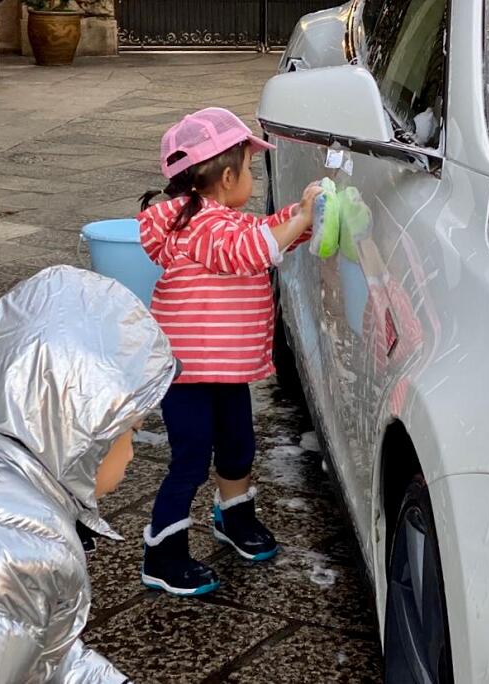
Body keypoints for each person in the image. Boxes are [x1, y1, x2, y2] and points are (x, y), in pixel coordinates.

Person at [137, 107, 321, 596]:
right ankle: (163, 552)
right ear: (225, 176)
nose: (253, 182)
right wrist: (298, 218)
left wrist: (304, 220)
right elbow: (252, 249)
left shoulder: (221, 221)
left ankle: (233, 517)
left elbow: (258, 236)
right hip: (188, 374)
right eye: (249, 169)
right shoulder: (200, 226)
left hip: (225, 368)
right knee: (191, 458)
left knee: (238, 447)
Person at [0, 265, 178, 683]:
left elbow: (47, 655)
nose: (133, 455)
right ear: (82, 430)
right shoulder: (25, 557)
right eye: (131, 433)